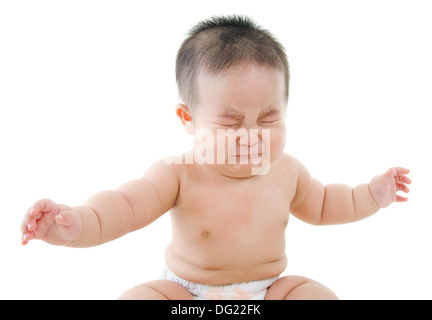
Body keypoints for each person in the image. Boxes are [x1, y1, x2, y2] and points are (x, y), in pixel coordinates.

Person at [20, 15, 411, 300]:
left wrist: (370, 196)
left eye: (269, 118)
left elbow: (327, 204)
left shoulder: (287, 171)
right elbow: (121, 208)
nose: (252, 135)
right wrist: (76, 225)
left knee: (315, 294)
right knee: (139, 297)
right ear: (188, 120)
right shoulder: (177, 174)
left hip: (269, 291)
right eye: (230, 123)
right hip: (186, 297)